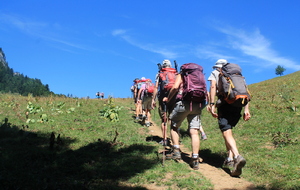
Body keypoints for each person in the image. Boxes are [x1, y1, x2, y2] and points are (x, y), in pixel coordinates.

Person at [207, 59, 251, 177]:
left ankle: (237, 156)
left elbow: (212, 87)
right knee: (229, 131)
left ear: (217, 66)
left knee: (226, 132)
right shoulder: (237, 75)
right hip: (238, 104)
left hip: (225, 104)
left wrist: (211, 104)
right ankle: (230, 158)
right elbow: (245, 91)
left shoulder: (216, 73)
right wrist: (246, 110)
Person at [163, 63, 206, 170]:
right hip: (197, 104)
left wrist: (168, 99)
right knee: (194, 131)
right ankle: (195, 158)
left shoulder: (182, 75)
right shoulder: (200, 75)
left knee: (174, 126)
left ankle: (176, 151)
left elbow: (175, 87)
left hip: (183, 103)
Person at [152, 59, 177, 145]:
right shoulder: (175, 73)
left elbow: (155, 87)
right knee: (173, 119)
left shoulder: (159, 74)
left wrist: (153, 99)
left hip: (163, 98)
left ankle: (165, 139)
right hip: (174, 98)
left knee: (164, 120)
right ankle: (175, 141)